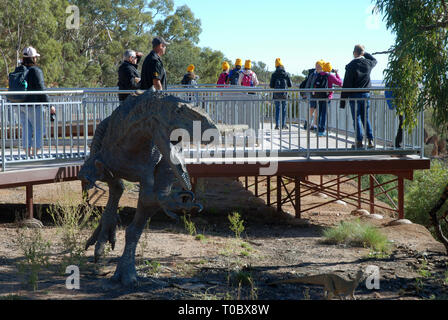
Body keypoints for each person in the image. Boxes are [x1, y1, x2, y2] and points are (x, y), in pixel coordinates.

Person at [16, 46, 55, 157]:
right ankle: (34, 155)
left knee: (26, 130)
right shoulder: (36, 71)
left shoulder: (19, 70)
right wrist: (50, 105)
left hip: (20, 105)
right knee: (39, 129)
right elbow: (41, 89)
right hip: (34, 106)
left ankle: (27, 155)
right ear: (33, 58)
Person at [340, 44, 377, 149]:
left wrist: (342, 101)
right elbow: (375, 60)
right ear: (362, 53)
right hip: (366, 94)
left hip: (354, 95)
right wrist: (365, 53)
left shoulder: (351, 65)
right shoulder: (368, 63)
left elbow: (346, 84)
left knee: (356, 119)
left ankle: (359, 141)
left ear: (354, 53)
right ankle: (371, 140)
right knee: (366, 118)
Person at [313, 61, 343, 136]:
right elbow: (340, 83)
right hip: (327, 97)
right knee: (324, 114)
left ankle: (319, 129)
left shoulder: (319, 75)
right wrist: (336, 74)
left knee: (320, 113)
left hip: (319, 96)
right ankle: (322, 131)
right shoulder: (330, 76)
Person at [300, 60, 325, 131]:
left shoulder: (323, 75)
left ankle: (314, 125)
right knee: (311, 110)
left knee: (317, 111)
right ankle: (307, 122)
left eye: (319, 66)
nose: (317, 67)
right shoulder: (313, 75)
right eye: (316, 66)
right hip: (312, 96)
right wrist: (305, 94)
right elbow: (308, 85)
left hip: (319, 96)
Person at [269, 58, 292, 130]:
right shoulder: (285, 74)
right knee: (284, 109)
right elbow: (290, 85)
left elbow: (271, 85)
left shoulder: (274, 74)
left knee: (277, 109)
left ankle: (277, 125)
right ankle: (283, 124)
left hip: (276, 94)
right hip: (284, 94)